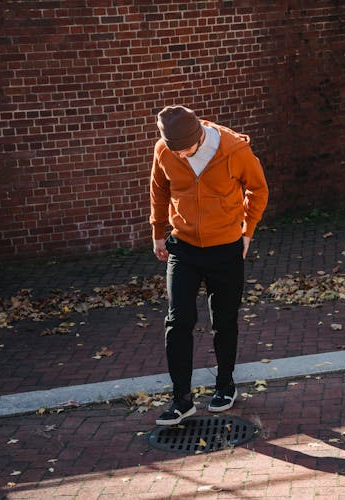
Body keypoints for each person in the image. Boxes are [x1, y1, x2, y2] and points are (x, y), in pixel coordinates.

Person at [150, 105, 269, 426]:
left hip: (226, 249)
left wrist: (247, 231)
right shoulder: (165, 150)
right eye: (177, 152)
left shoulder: (234, 150)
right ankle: (181, 400)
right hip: (183, 248)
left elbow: (259, 189)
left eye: (187, 150)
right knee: (177, 322)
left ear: (199, 136)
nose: (183, 156)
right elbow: (159, 191)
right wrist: (158, 232)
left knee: (224, 322)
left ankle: (225, 386)